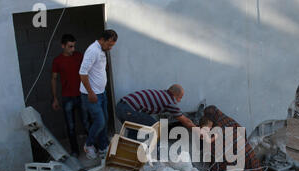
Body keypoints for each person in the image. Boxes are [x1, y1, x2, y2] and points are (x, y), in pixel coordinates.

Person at [198, 106, 277, 171]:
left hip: (238, 157)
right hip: (247, 152)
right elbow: (242, 131)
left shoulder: (218, 129)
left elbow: (212, 147)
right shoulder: (228, 121)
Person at [79, 30, 118, 159]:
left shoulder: (101, 51)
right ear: (102, 39)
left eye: (112, 45)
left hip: (101, 93)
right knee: (99, 122)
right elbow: (82, 73)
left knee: (104, 121)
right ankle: (89, 145)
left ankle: (102, 147)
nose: (110, 48)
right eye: (109, 45)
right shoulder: (93, 51)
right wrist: (90, 92)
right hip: (91, 95)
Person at [51, 34, 88, 158]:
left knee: (86, 123)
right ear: (63, 46)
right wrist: (55, 98)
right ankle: (75, 151)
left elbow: (88, 71)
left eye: (74, 46)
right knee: (71, 126)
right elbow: (54, 79)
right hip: (67, 98)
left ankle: (91, 147)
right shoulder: (57, 61)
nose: (73, 49)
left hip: (82, 95)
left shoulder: (79, 56)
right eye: (70, 47)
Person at [115, 85, 198, 138]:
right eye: (180, 97)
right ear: (175, 94)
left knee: (134, 130)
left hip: (121, 107)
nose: (180, 101)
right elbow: (185, 121)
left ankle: (130, 152)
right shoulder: (169, 101)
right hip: (128, 110)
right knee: (156, 128)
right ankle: (157, 156)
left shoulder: (163, 94)